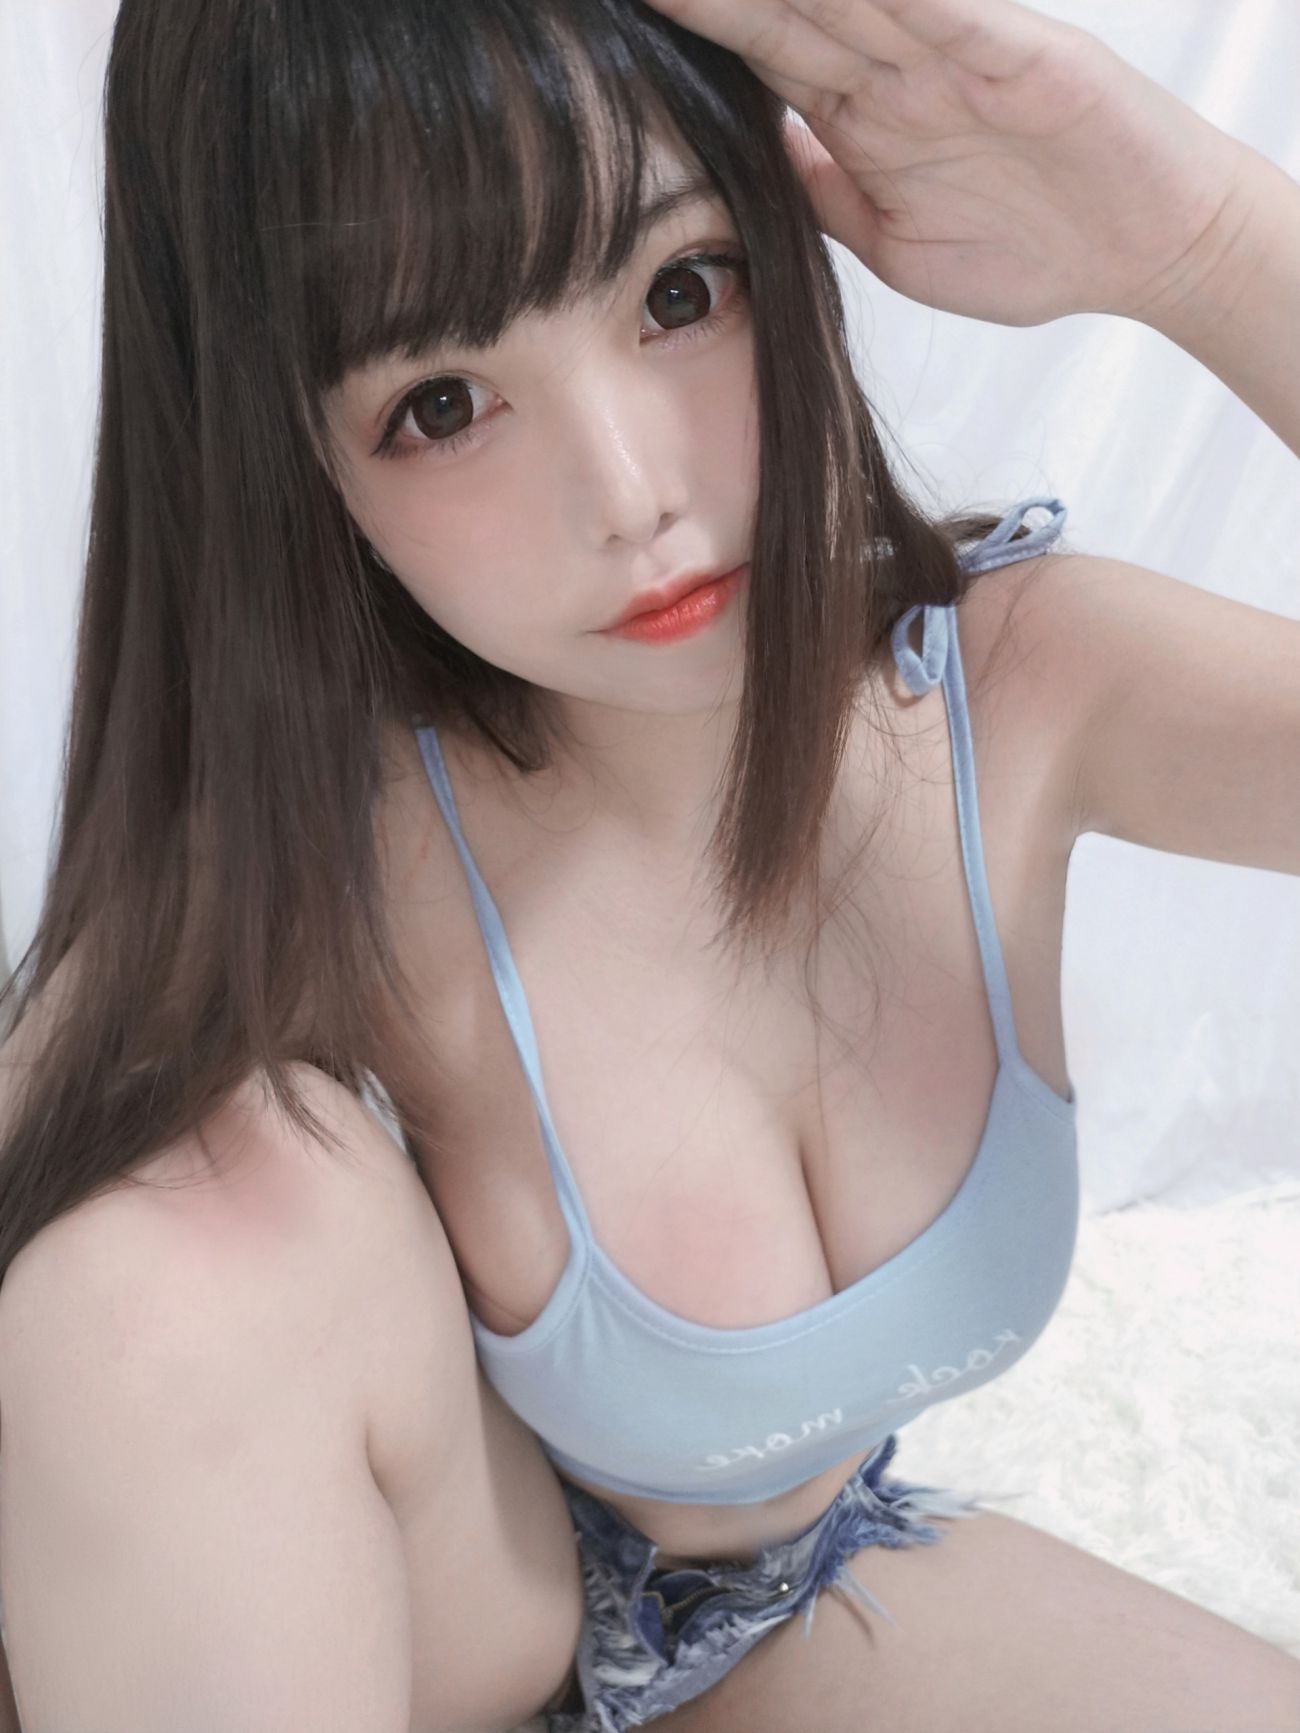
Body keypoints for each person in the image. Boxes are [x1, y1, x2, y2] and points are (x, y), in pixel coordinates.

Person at [0, 0, 1297, 1729]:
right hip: (434, 1649)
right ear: (299, 466)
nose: (628, 493)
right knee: (167, 1251)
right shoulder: (337, 857)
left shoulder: (1022, 688)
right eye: (443, 403)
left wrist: (1200, 242)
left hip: (762, 1612)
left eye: (680, 290)